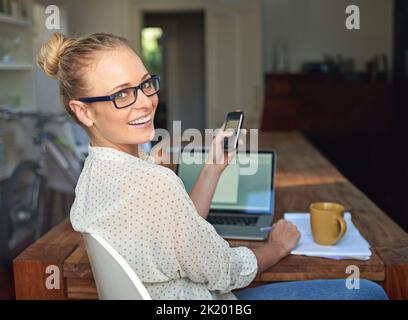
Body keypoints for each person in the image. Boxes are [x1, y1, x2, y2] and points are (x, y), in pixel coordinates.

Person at [36, 32, 387, 300]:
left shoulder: (93, 176)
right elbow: (224, 271)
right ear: (83, 111)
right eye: (122, 94)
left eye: (145, 84)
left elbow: (177, 234)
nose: (145, 102)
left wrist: (212, 168)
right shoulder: (152, 183)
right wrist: (278, 246)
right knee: (369, 291)